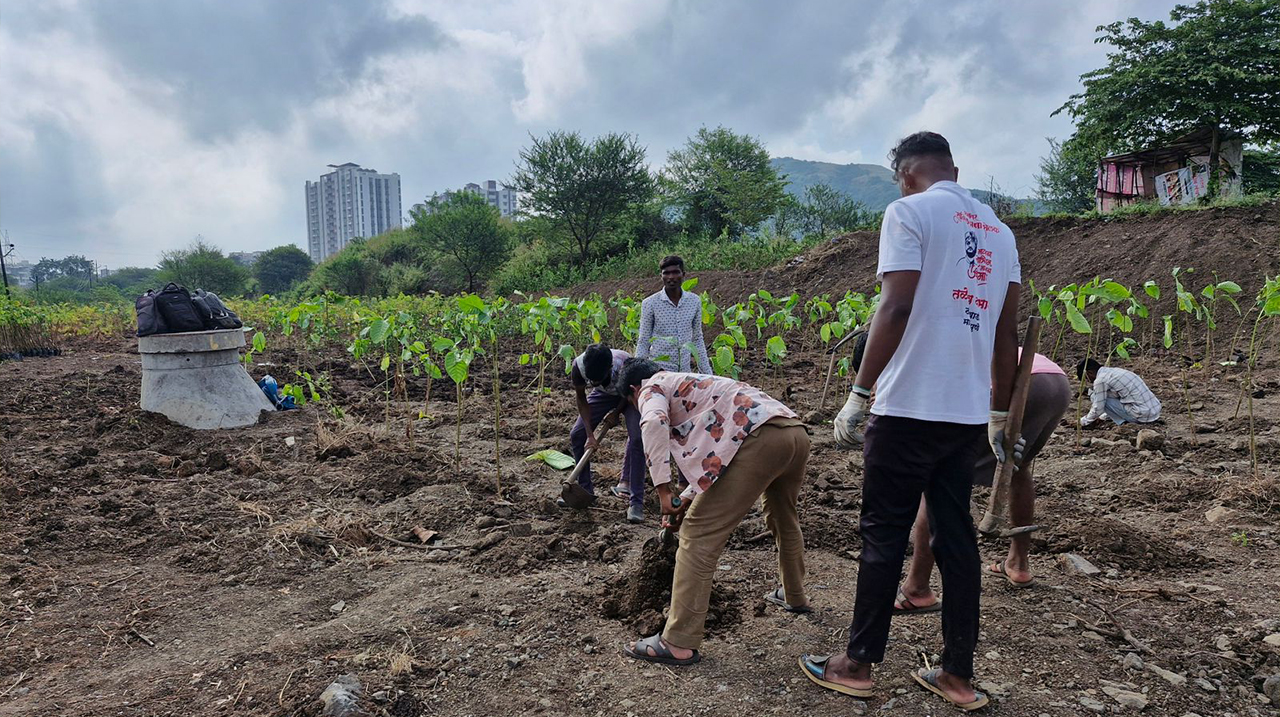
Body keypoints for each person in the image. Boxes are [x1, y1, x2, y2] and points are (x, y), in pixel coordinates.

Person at [799, 132, 1021, 712]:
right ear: (953, 168)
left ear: (903, 174)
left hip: (905, 410)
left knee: (884, 534)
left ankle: (856, 664)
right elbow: (1005, 333)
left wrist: (859, 392)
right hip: (966, 414)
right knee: (958, 539)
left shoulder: (907, 213)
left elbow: (894, 306)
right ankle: (957, 677)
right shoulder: (1000, 232)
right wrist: (999, 410)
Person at [616, 358, 811, 665]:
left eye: (632, 402)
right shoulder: (693, 383)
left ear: (633, 390)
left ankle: (678, 642)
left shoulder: (651, 387)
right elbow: (717, 458)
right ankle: (794, 594)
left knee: (697, 534)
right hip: (792, 432)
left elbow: (652, 423)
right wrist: (684, 498)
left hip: (758, 438)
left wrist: (663, 490)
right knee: (782, 516)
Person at [558, 343, 647, 523]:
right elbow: (581, 398)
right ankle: (584, 490)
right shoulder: (579, 366)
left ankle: (636, 501)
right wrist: (590, 435)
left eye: (599, 379)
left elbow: (630, 393)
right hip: (603, 394)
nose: (594, 383)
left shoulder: (625, 365)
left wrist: (616, 413)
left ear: (609, 368)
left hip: (629, 395)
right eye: (592, 381)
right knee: (577, 434)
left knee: (637, 438)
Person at [635, 255, 712, 375]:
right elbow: (644, 341)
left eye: (676, 272)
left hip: (684, 372)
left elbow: (697, 339)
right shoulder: (650, 303)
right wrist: (637, 375)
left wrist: (708, 375)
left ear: (683, 274)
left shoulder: (694, 301)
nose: (671, 277)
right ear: (661, 276)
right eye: (666, 273)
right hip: (659, 372)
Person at [1076, 358, 1161, 427]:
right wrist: (1103, 417)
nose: (1090, 382)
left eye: (1087, 379)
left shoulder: (1100, 381)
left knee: (1095, 396)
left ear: (1089, 372)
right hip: (1154, 411)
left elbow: (1098, 407)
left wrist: (1082, 422)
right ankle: (1110, 418)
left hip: (1142, 416)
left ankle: (1124, 423)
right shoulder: (1114, 372)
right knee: (1105, 395)